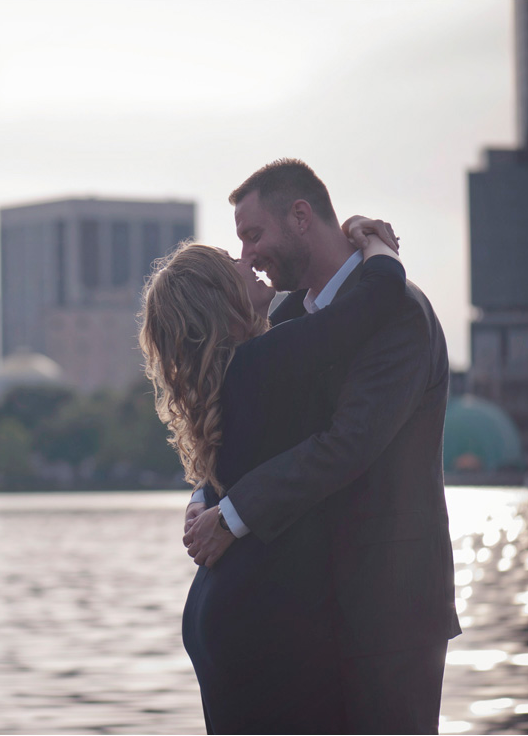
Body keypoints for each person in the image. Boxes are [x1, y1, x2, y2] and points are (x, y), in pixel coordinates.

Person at [183, 158, 461, 734]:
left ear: (301, 217)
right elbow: (245, 418)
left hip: (389, 608)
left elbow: (350, 443)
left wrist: (232, 516)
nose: (250, 255)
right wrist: (204, 495)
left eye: (254, 235)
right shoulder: (286, 317)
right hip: (312, 611)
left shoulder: (399, 313)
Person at [140, 216, 405, 733]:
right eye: (231, 263)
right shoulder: (264, 362)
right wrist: (374, 241)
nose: (246, 260)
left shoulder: (225, 377)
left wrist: (201, 498)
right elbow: (379, 296)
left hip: (221, 607)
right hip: (262, 616)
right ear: (221, 300)